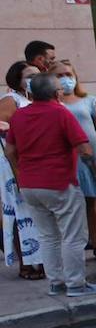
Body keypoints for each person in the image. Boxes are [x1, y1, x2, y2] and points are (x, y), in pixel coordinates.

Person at [2, 73, 96, 297]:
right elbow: (85, 149)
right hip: (59, 182)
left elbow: (10, 150)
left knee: (47, 236)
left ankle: (56, 283)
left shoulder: (19, 116)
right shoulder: (61, 112)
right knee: (72, 235)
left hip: (30, 185)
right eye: (60, 88)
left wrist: (20, 173)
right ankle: (76, 283)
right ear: (55, 93)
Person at [51, 61, 96, 264]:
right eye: (60, 75)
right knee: (69, 207)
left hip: (90, 159)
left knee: (92, 203)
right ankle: (73, 248)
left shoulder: (89, 101)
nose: (66, 79)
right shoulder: (53, 105)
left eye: (69, 74)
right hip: (66, 160)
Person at [1, 63, 42, 280]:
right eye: (30, 75)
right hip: (15, 162)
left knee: (38, 213)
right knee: (21, 213)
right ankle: (27, 264)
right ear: (18, 80)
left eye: (38, 75)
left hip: (37, 162)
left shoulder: (40, 100)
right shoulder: (13, 100)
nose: (36, 78)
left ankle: (41, 260)